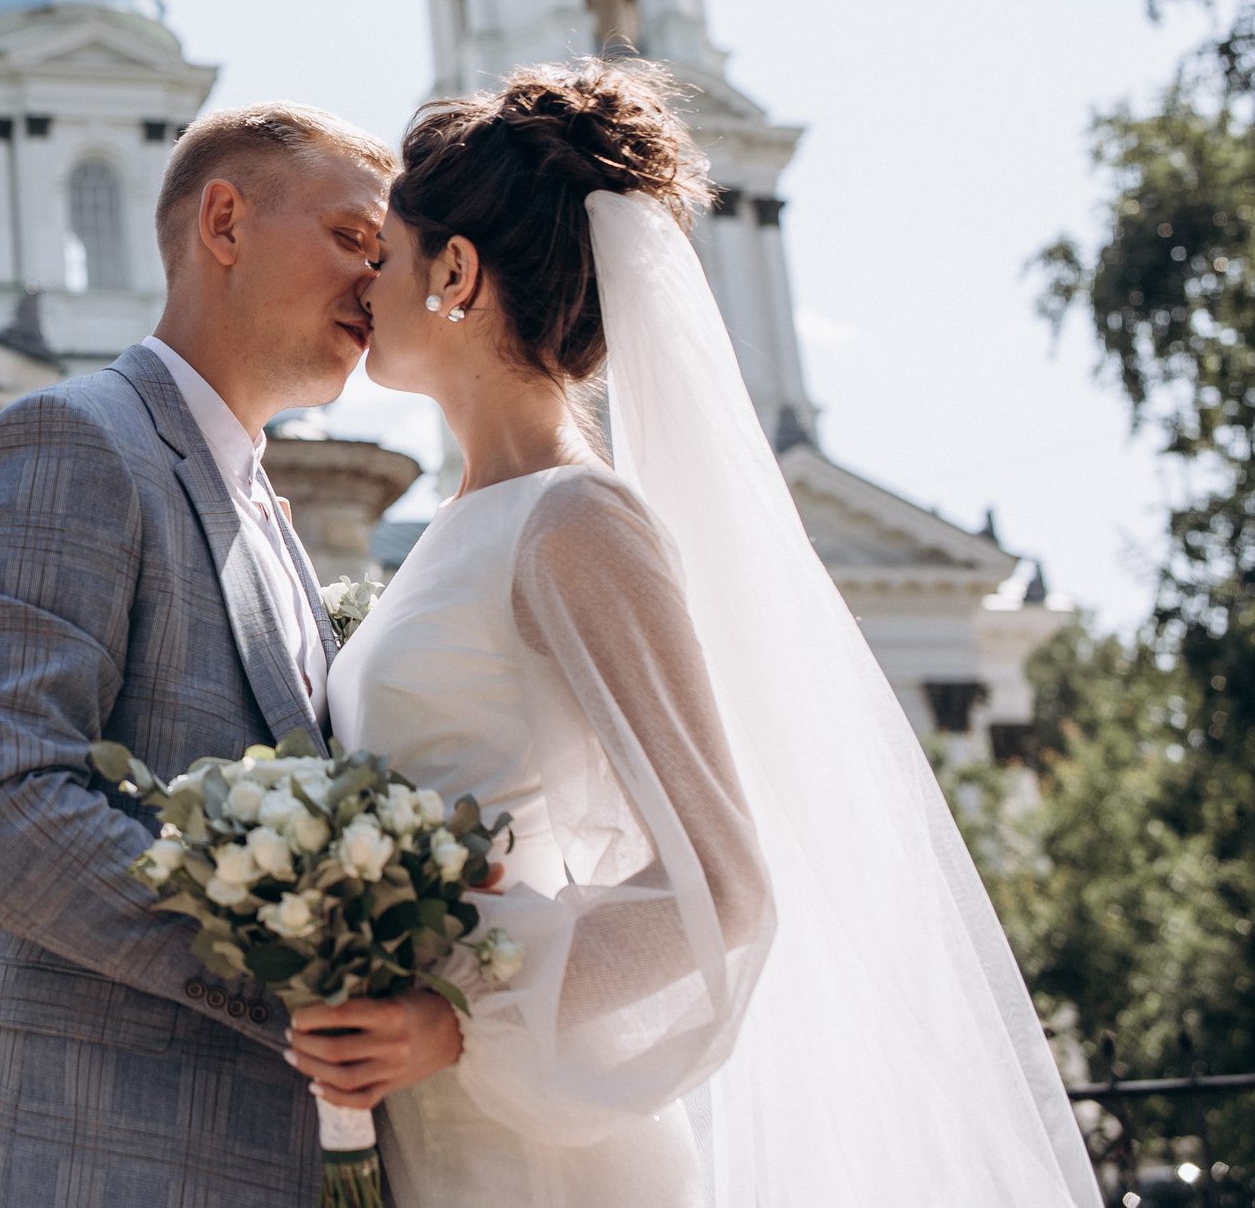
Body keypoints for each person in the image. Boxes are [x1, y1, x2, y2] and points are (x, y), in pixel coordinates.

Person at [288, 61, 1096, 1204]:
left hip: (534, 1158)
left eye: (386, 252)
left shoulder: (575, 520)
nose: (364, 282)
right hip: (433, 1129)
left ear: (454, 272)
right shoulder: (462, 526)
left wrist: (455, 1018)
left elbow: (720, 885)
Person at [0, 103, 397, 1208]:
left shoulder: (264, 508)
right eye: (353, 237)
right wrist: (305, 979)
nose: (379, 279)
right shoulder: (73, 440)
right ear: (225, 221)